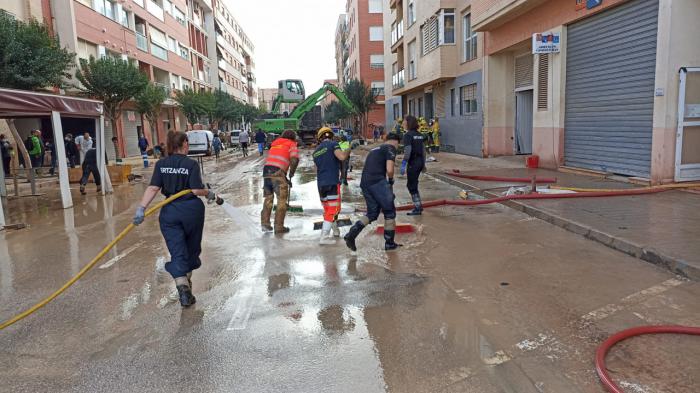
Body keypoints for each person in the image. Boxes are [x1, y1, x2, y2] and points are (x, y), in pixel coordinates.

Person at [132, 131, 218, 307]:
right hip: (191, 211)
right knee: (192, 249)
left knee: (177, 250)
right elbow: (195, 190)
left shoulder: (162, 164)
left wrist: (141, 208)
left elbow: (153, 188)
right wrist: (208, 193)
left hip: (170, 212)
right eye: (188, 143)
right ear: (185, 144)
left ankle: (183, 288)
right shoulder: (191, 164)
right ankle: (187, 285)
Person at [344, 133, 402, 252]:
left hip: (365, 183)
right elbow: (390, 169)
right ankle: (389, 243)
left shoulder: (375, 150)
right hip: (377, 182)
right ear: (396, 141)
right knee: (390, 211)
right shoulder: (390, 148)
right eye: (398, 144)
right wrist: (390, 181)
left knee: (372, 213)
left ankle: (351, 234)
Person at [313, 127, 350, 244]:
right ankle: (324, 237)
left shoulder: (316, 151)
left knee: (328, 209)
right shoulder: (333, 145)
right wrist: (349, 148)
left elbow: (316, 169)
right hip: (332, 182)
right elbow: (342, 157)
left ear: (320, 138)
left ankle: (335, 230)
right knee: (333, 209)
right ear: (331, 136)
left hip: (321, 184)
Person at [260, 130, 299, 234]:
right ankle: (279, 227)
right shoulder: (291, 144)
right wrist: (292, 172)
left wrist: (285, 179)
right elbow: (294, 160)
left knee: (268, 199)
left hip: (266, 171)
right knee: (281, 200)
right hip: (278, 172)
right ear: (293, 137)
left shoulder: (276, 143)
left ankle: (265, 224)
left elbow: (275, 163)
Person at [400, 115, 426, 216]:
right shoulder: (419, 135)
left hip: (413, 162)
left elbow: (408, 151)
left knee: (411, 185)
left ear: (408, 123)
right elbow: (423, 151)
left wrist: (403, 164)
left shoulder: (408, 135)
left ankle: (418, 207)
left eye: (404, 121)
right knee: (413, 184)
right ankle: (418, 206)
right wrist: (423, 164)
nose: (402, 123)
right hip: (419, 161)